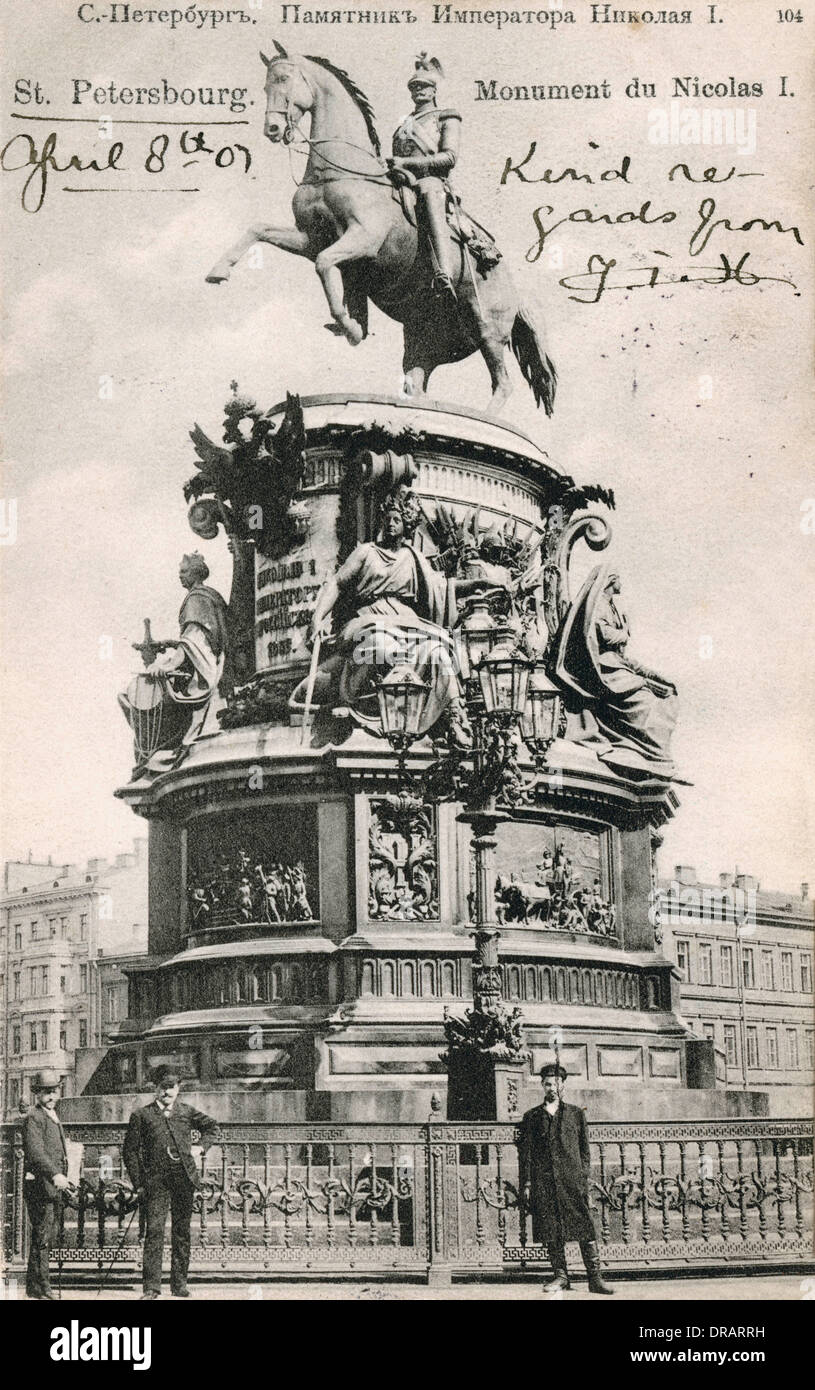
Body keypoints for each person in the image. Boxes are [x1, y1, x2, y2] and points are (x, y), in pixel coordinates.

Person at [123, 1065, 220, 1300]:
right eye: (163, 1087)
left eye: (172, 1087)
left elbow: (212, 1127)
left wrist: (200, 1148)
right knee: (154, 1232)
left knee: (181, 1232)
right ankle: (151, 1288)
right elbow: (130, 1152)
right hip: (155, 1183)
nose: (168, 1092)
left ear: (178, 1089)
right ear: (155, 1089)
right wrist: (139, 1183)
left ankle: (179, 1284)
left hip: (184, 1180)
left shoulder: (186, 1112)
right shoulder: (142, 1115)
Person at [519, 1063, 613, 1295]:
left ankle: (595, 1278)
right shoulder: (532, 1117)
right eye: (547, 1083)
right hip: (545, 1182)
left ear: (563, 1085)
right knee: (551, 1229)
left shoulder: (576, 1114)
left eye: (556, 1083)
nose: (552, 1088)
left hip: (572, 1182)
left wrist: (583, 1180)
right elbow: (527, 1154)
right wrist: (529, 1183)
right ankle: (561, 1276)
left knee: (584, 1227)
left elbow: (584, 1151)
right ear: (542, 1085)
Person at [388, 54, 461, 306]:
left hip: (433, 182)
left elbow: (449, 157)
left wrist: (407, 163)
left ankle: (444, 273)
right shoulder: (403, 125)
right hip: (403, 182)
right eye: (414, 87)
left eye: (424, 87)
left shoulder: (446, 117)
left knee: (429, 191)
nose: (418, 91)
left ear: (433, 90)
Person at [21, 1069, 71, 1300]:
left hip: (51, 1187)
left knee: (43, 1237)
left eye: (54, 1091)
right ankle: (44, 1288)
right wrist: (55, 1175)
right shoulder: (35, 1117)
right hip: (41, 1187)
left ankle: (35, 1287)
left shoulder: (51, 1116)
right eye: (45, 1092)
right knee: (42, 1238)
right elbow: (35, 1153)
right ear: (37, 1094)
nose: (51, 1096)